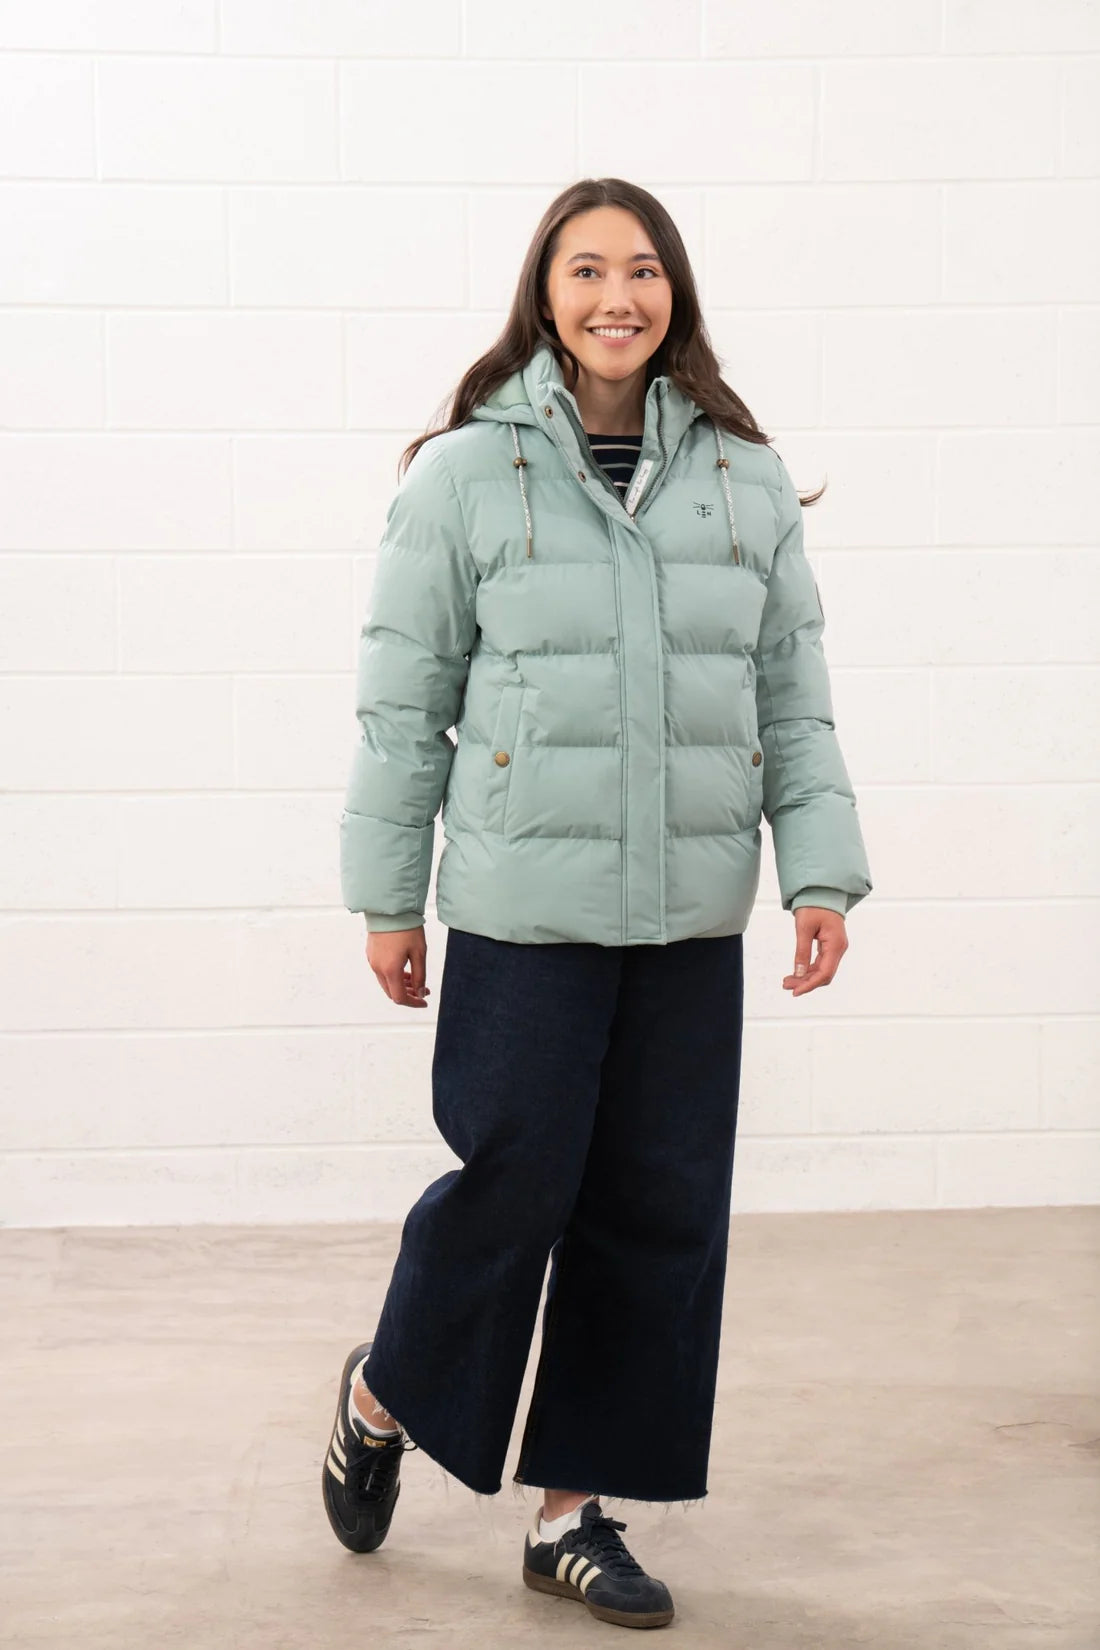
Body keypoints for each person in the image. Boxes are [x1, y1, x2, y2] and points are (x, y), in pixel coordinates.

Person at [322, 176, 872, 1630]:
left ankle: (575, 1511)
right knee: (513, 1184)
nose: (615, 296)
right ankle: (385, 1389)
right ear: (543, 293)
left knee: (660, 1209)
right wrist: (388, 899)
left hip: (691, 916)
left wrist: (818, 868)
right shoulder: (464, 476)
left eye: (642, 271)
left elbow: (792, 700)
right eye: (585, 271)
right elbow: (404, 701)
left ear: (675, 292)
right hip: (522, 908)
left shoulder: (744, 477)